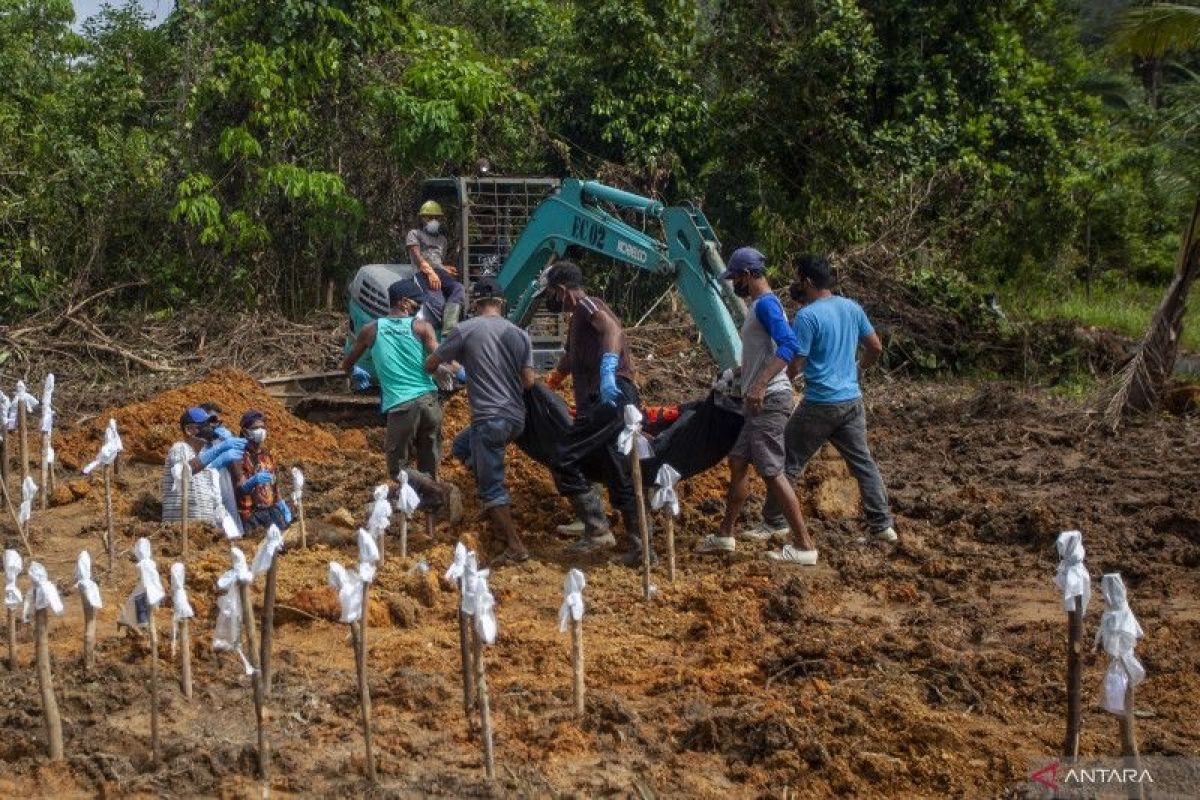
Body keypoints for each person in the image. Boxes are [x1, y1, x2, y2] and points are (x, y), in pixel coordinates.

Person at [757, 254, 898, 544]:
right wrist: (859, 369)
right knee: (863, 464)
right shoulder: (852, 308)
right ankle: (882, 525)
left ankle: (774, 521)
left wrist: (778, 380)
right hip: (851, 402)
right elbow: (875, 346)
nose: (796, 284)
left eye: (798, 279)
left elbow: (796, 363)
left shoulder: (808, 317)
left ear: (807, 281)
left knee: (788, 462)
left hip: (819, 404)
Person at [695, 247, 818, 565]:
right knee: (737, 461)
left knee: (772, 471)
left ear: (747, 276)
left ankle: (804, 546)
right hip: (756, 401)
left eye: (735, 277)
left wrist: (761, 383)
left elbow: (789, 345)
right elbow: (764, 352)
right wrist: (735, 374)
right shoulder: (758, 307)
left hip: (770, 399)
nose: (732, 283)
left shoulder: (766, 305)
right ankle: (725, 534)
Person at [542, 260, 650, 567]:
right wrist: (553, 379)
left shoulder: (588, 305)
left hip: (610, 398)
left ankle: (596, 527)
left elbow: (612, 330)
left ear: (562, 290)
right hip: (599, 402)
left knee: (563, 455)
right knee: (617, 470)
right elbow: (570, 356)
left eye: (551, 293)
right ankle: (641, 548)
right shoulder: (577, 318)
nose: (550, 300)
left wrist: (607, 372)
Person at [426, 276, 536, 563]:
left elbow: (431, 363)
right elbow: (528, 381)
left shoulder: (465, 329)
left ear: (474, 304)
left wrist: (441, 358)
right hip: (515, 419)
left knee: (491, 485)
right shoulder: (519, 333)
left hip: (489, 419)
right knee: (462, 447)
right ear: (501, 303)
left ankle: (515, 545)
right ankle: (489, 500)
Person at [342, 278, 444, 483]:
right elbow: (441, 355)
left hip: (402, 406)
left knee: (398, 471)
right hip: (431, 403)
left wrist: (354, 373)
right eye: (416, 303)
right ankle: (432, 506)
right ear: (403, 302)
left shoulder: (371, 330)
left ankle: (437, 492)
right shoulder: (423, 328)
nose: (419, 307)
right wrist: (457, 370)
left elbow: (347, 362)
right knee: (429, 465)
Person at [162, 407, 246, 526]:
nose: (210, 428)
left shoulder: (203, 458)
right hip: (181, 529)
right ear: (188, 430)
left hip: (203, 529)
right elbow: (183, 471)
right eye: (204, 425)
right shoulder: (180, 448)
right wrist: (219, 449)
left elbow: (214, 494)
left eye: (210, 424)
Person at [406, 200, 466, 332]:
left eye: (436, 217)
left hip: (439, 273)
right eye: (430, 217)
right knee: (437, 303)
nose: (433, 220)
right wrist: (430, 273)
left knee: (459, 289)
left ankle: (449, 328)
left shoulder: (442, 240)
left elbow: (437, 260)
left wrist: (444, 268)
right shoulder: (415, 234)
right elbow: (417, 257)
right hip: (423, 273)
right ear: (422, 218)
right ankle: (428, 331)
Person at [234, 410, 292, 532]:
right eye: (256, 428)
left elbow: (274, 484)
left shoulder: (267, 456)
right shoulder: (239, 457)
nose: (261, 431)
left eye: (262, 427)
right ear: (245, 431)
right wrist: (250, 483)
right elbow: (237, 488)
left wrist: (280, 503)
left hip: (271, 510)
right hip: (251, 514)